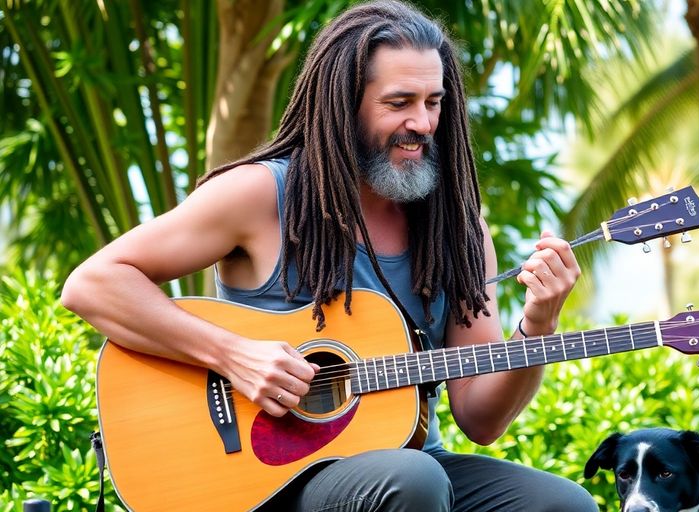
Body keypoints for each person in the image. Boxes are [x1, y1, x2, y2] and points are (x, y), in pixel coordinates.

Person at [61, 1, 597, 510]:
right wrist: (234, 356)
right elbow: (93, 283)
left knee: (559, 503)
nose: (424, 122)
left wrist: (539, 323)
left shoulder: (457, 227)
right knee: (412, 481)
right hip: (270, 478)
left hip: (410, 466)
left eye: (434, 102)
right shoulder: (259, 196)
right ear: (345, 103)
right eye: (399, 102)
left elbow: (481, 419)